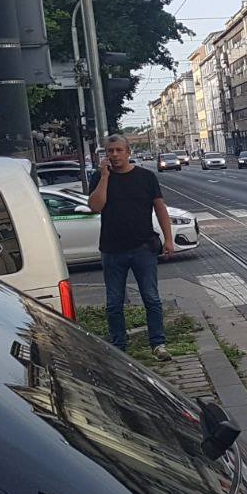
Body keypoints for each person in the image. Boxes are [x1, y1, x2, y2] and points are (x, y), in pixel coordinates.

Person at [88, 134, 175, 359]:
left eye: (118, 150)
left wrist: (168, 239)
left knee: (151, 298)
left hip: (143, 247)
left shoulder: (146, 177)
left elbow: (160, 208)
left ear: (128, 152)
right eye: (110, 151)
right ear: (105, 155)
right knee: (114, 302)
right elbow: (96, 207)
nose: (114, 155)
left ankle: (158, 344)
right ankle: (119, 346)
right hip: (112, 249)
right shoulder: (99, 177)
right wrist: (105, 177)